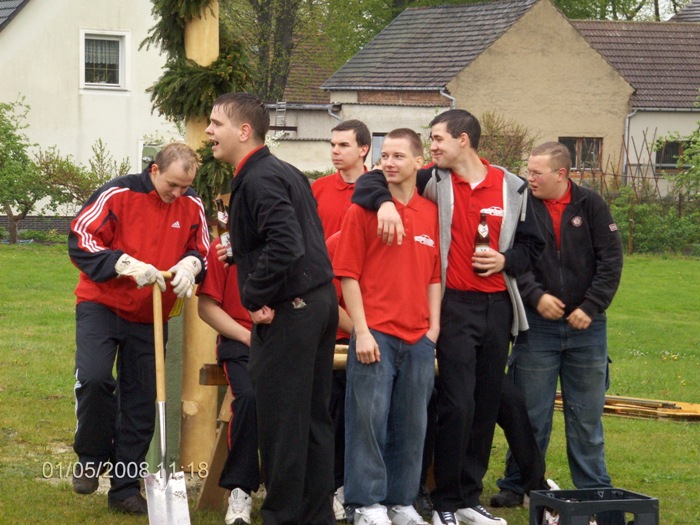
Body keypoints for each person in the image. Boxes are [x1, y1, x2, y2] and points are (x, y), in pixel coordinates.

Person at [352, 109, 543, 525]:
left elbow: (533, 246)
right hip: (452, 305)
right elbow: (369, 181)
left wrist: (505, 260)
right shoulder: (432, 181)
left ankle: (468, 498)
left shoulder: (511, 186)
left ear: (463, 140)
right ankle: (444, 501)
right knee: (457, 403)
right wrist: (384, 204)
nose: (433, 145)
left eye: (438, 138)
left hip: (498, 308)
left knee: (486, 403)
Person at [205, 92, 339, 525]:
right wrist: (239, 253)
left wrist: (254, 295)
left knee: (283, 423)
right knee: (313, 419)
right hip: (317, 304)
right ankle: (315, 516)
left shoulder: (258, 179)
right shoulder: (285, 171)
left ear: (244, 131)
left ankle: (282, 516)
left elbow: (287, 244)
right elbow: (289, 238)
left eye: (216, 124)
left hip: (291, 311)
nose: (208, 131)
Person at [68, 142, 209, 514]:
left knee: (142, 402)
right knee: (95, 377)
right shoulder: (118, 194)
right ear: (154, 170)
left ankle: (125, 489)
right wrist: (124, 264)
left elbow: (201, 249)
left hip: (151, 313)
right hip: (102, 303)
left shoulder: (192, 204)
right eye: (172, 185)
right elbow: (81, 238)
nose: (177, 193)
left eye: (185, 186)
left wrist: (191, 266)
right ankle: (91, 456)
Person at [491, 142, 623, 519]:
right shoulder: (521, 204)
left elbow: (611, 260)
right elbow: (514, 258)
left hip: (587, 329)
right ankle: (518, 484)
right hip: (538, 328)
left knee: (586, 416)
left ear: (561, 174)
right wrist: (536, 296)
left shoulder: (590, 205)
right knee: (530, 413)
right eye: (528, 171)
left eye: (536, 172)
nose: (529, 178)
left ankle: (594, 488)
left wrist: (590, 306)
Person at [334, 128, 441, 525]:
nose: (389, 163)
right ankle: (365, 504)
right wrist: (361, 331)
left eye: (399, 156)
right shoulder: (362, 211)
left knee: (412, 426)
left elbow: (434, 277)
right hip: (375, 334)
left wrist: (433, 330)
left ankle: (401, 501)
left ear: (419, 162)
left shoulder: (431, 213)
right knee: (368, 422)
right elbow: (347, 274)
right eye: (385, 157)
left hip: (419, 338)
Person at [312, 118, 371, 521]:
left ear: (364, 149)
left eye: (344, 145)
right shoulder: (317, 190)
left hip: (370, 317)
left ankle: (360, 485)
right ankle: (330, 485)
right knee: (329, 407)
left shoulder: (378, 192)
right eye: (332, 144)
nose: (335, 151)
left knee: (364, 412)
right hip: (326, 317)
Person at [197, 234, 259, 525]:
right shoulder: (224, 246)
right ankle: (240, 491)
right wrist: (247, 337)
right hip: (240, 339)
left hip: (284, 340)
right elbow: (207, 307)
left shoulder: (289, 239)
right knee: (249, 398)